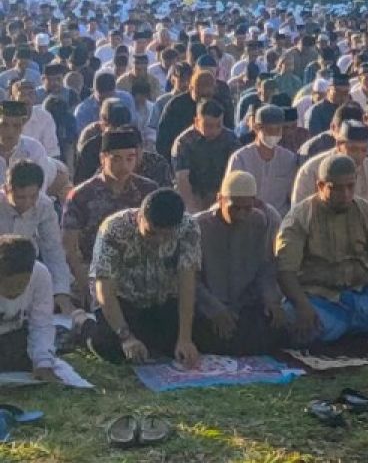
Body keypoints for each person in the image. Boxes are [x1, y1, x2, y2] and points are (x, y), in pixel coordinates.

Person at [275, 154, 368, 345]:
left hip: (360, 295)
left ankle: (346, 331)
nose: (345, 194)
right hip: (319, 299)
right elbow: (285, 272)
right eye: (336, 188)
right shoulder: (298, 218)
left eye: (350, 187)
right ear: (321, 186)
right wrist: (303, 306)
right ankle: (352, 332)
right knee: (292, 318)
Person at [87, 188, 201, 366]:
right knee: (107, 344)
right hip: (124, 304)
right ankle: (84, 325)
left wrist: (185, 338)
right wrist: (126, 337)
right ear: (139, 217)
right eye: (152, 233)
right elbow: (104, 288)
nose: (158, 241)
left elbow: (187, 281)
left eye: (166, 236)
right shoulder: (114, 228)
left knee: (200, 337)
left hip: (163, 302)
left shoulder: (189, 227)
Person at [194, 171, 287, 354]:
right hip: (208, 308)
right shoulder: (198, 226)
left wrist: (271, 299)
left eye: (247, 208)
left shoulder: (261, 221)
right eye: (235, 208)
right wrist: (215, 309)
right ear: (220, 199)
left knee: (277, 330)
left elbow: (265, 268)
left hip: (245, 305)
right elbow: (191, 280)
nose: (241, 215)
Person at [62, 128, 159, 305]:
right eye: (116, 159)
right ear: (103, 158)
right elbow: (71, 249)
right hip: (96, 274)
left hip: (141, 276)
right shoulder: (81, 196)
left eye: (130, 158)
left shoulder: (148, 191)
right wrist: (91, 288)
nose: (124, 166)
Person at [291, 121, 368, 234]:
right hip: (319, 234)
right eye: (353, 149)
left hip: (358, 236)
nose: (358, 156)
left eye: (363, 150)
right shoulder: (311, 170)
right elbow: (299, 217)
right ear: (339, 145)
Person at [0, 161, 72, 313]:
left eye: (33, 196)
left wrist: (61, 291)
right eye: (20, 197)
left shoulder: (44, 205)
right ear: (7, 190)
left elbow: (53, 249)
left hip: (28, 270)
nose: (27, 203)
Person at [0, 235, 60, 381]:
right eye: (8, 285)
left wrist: (43, 363)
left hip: (15, 334)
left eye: (21, 284)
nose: (14, 291)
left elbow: (41, 322)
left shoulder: (40, 274)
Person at [225, 105, 298, 217]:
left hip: (280, 221)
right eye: (269, 130)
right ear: (256, 128)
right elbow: (231, 195)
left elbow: (292, 196)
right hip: (248, 219)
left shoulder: (289, 159)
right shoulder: (240, 159)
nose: (273, 134)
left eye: (277, 130)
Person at [172, 98, 239, 212]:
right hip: (194, 195)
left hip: (222, 194)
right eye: (208, 126)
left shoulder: (230, 138)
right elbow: (182, 179)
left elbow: (237, 171)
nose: (214, 131)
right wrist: (193, 209)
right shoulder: (184, 142)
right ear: (197, 121)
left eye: (218, 125)